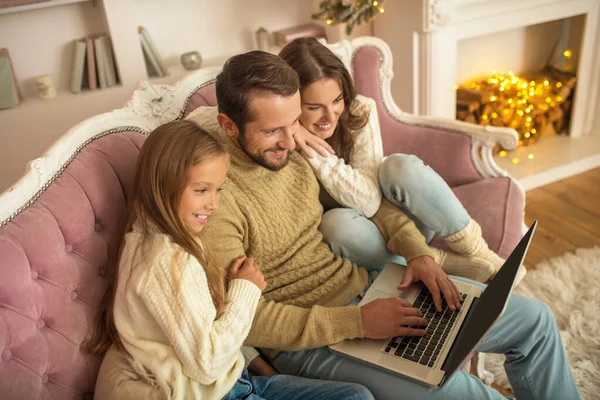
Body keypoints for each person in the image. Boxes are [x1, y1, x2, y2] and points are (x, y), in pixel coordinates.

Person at [187, 50, 580, 400]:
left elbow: (375, 208)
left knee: (536, 322)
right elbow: (240, 318)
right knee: (462, 392)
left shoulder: (292, 154)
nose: (291, 141)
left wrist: (419, 253)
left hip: (371, 291)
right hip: (309, 343)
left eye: (294, 123)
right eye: (272, 130)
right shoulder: (212, 198)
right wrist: (357, 321)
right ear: (227, 125)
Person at [88, 120, 374, 400]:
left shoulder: (151, 235)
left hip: (238, 381)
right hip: (215, 391)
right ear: (161, 185)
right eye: (201, 190)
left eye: (218, 189)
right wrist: (246, 289)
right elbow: (207, 363)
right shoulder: (168, 262)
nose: (213, 204)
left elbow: (200, 325)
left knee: (355, 395)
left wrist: (255, 365)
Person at [278, 36, 517, 284]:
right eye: (314, 107)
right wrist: (296, 134)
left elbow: (369, 200)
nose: (330, 115)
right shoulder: (280, 142)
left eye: (337, 100)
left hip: (410, 218)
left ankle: (482, 253)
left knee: (397, 166)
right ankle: (434, 260)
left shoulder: (359, 110)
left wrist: (314, 147)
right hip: (363, 238)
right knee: (334, 225)